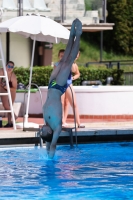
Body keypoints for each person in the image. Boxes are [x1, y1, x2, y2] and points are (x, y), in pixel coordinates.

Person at [39, 18, 82, 159]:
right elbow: (52, 144)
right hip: (58, 88)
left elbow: (46, 142)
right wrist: (50, 159)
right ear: (49, 132)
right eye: (42, 131)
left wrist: (46, 148)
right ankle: (79, 35)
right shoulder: (56, 128)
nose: (41, 129)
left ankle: (71, 35)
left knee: (63, 60)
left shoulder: (47, 122)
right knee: (69, 61)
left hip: (51, 84)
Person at [55, 50, 85, 128]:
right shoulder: (57, 64)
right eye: (61, 56)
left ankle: (78, 123)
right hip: (60, 84)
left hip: (68, 84)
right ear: (59, 56)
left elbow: (76, 72)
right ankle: (61, 121)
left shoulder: (70, 63)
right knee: (60, 103)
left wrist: (73, 77)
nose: (62, 57)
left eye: (64, 55)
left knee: (74, 103)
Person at [0, 61, 17, 127]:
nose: (10, 68)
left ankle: (10, 122)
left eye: (12, 67)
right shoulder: (1, 71)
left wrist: (7, 88)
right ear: (5, 66)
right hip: (2, 88)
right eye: (9, 66)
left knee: (9, 106)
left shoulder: (13, 77)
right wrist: (3, 86)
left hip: (11, 90)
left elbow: (14, 88)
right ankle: (14, 116)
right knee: (6, 105)